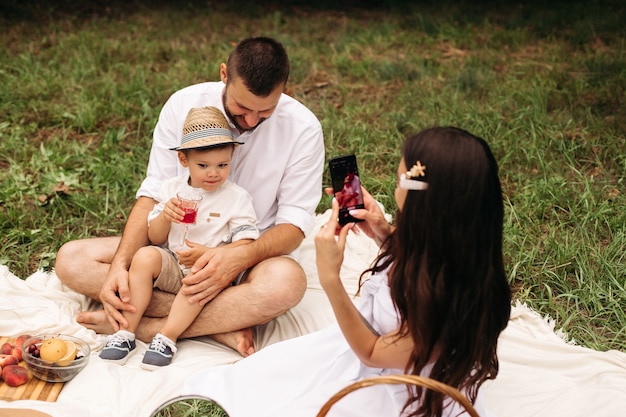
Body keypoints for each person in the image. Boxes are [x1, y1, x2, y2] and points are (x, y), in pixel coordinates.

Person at [182, 126, 512, 417]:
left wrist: (330, 278)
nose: (395, 183)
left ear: (425, 204)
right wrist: (382, 230)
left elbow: (370, 352)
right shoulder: (459, 249)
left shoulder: (444, 303)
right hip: (361, 351)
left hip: (399, 389)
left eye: (400, 180)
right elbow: (421, 258)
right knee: (258, 377)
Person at [55, 37, 325, 357]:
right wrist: (120, 265)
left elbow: (294, 224)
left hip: (248, 256)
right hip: (175, 252)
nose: (251, 120)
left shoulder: (304, 128)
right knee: (72, 260)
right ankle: (221, 322)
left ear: (285, 91)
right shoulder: (183, 105)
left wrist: (237, 258)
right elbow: (154, 192)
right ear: (224, 74)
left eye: (265, 110)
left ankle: (144, 327)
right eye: (242, 107)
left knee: (287, 283)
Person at [99, 106, 259, 370]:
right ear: (184, 160)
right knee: (145, 255)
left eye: (223, 165)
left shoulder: (235, 197)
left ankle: (167, 337)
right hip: (174, 262)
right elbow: (154, 236)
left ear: (232, 157)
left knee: (197, 276)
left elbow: (246, 241)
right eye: (203, 165)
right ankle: (126, 332)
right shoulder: (172, 189)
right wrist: (165, 217)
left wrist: (210, 254)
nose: (214, 173)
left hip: (209, 271)